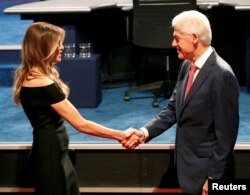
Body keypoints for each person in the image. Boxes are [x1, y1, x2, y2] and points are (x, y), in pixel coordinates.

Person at [12, 21, 139, 195]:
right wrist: (120, 135)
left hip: (55, 152)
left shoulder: (35, 76)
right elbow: (81, 124)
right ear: (45, 47)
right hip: (50, 157)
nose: (62, 47)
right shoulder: (41, 84)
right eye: (58, 44)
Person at [124, 10, 239, 195]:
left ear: (194, 38)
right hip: (188, 169)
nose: (173, 44)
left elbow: (225, 137)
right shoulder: (187, 65)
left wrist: (214, 179)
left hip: (208, 175)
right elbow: (173, 110)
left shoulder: (221, 75)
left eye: (177, 38)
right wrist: (144, 133)